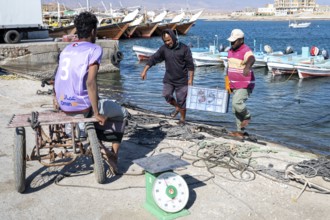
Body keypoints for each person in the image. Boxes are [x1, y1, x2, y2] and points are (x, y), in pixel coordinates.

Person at [54, 11, 127, 174]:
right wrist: (95, 113)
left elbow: (58, 77)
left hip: (64, 105)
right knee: (121, 113)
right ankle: (113, 155)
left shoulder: (66, 50)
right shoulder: (94, 49)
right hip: (83, 108)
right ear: (93, 31)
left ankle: (97, 144)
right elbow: (90, 82)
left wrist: (56, 98)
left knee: (100, 105)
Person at [140, 29, 194, 124]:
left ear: (173, 37)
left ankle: (182, 119)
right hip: (169, 79)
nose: (167, 42)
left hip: (182, 81)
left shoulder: (184, 49)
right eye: (165, 41)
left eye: (169, 40)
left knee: (182, 101)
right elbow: (153, 59)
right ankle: (177, 107)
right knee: (166, 95)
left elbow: (190, 65)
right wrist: (145, 70)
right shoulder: (164, 49)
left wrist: (191, 80)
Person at [226, 29, 255, 137]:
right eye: (231, 41)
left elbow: (252, 58)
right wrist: (227, 83)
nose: (232, 43)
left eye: (234, 41)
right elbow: (228, 67)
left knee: (236, 103)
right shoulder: (230, 51)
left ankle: (247, 116)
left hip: (245, 84)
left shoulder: (245, 50)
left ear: (241, 40)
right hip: (234, 84)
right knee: (235, 110)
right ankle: (240, 131)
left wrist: (247, 66)